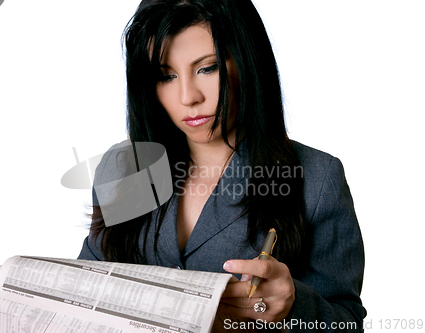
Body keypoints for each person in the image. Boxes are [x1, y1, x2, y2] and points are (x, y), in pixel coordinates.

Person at [78, 0, 366, 331]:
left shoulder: (317, 178)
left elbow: (347, 323)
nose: (188, 97)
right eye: (166, 75)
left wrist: (293, 305)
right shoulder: (122, 168)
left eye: (208, 68)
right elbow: (86, 286)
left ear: (246, 62)